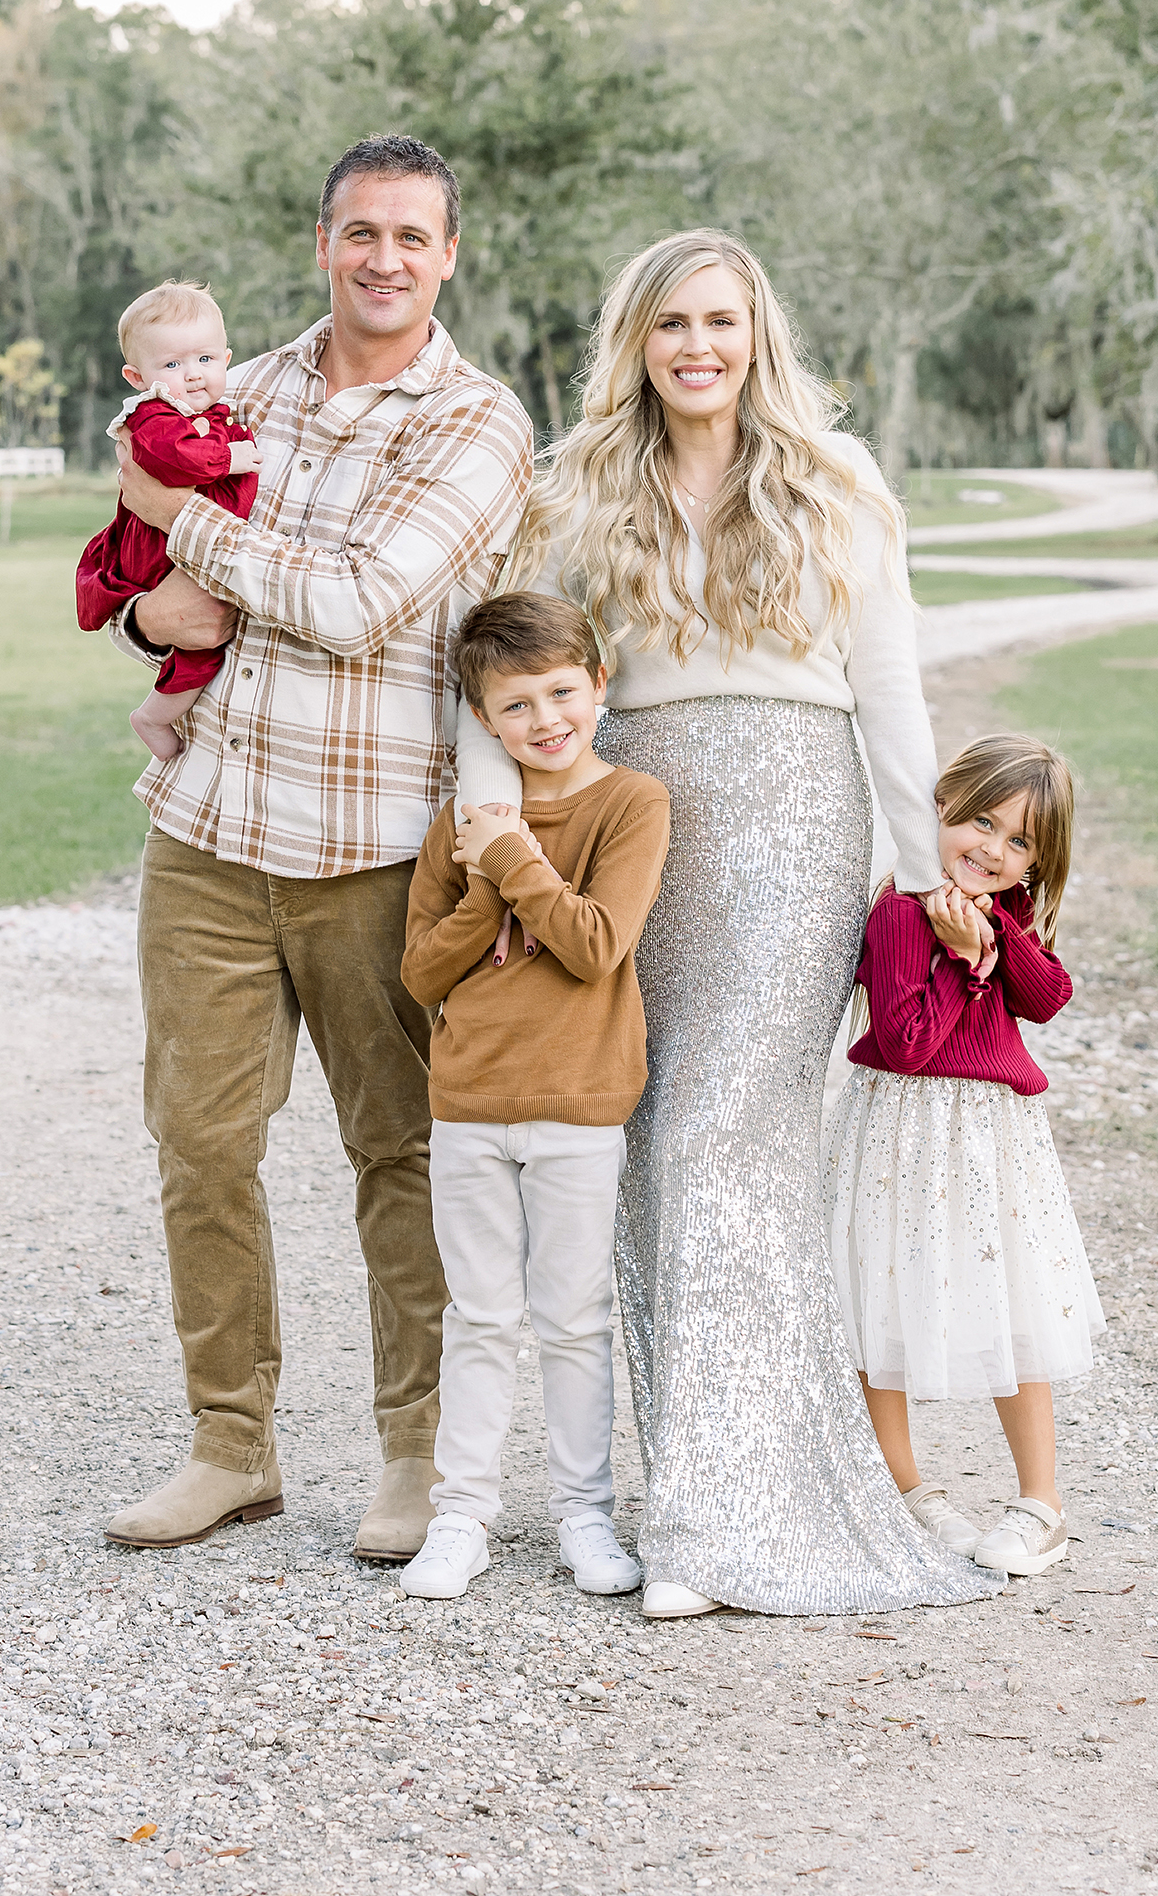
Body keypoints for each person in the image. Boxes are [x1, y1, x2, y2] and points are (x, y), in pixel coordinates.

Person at [455, 229, 1000, 1620]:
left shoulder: (837, 480)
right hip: (634, 829)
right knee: (646, 1146)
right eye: (669, 324)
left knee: (724, 1143)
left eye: (720, 321)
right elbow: (503, 665)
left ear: (756, 333)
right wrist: (500, 841)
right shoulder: (571, 487)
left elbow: (890, 693)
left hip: (792, 834)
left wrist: (920, 874)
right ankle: (693, 1484)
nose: (697, 347)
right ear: (633, 340)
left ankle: (717, 1524)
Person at [99, 134, 535, 1557]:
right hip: (211, 835)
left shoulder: (475, 424)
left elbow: (360, 603)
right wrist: (143, 608)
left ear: (448, 254)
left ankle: (417, 1457)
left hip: (371, 854)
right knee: (199, 1144)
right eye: (361, 233)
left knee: (397, 1154)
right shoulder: (240, 386)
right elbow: (141, 554)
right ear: (323, 240)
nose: (385, 260)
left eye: (412, 236)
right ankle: (231, 1444)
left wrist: (192, 543)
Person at [397, 593, 671, 1602]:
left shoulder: (630, 803)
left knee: (570, 1315)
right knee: (477, 1315)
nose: (545, 720)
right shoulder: (459, 824)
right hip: (469, 1100)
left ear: (599, 683)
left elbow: (598, 942)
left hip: (579, 1101)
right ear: (481, 719)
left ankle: (583, 1514)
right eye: (515, 706)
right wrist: (482, 885)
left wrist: (512, 860)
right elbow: (422, 972)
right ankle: (460, 1516)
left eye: (562, 692)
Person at [823, 733, 1105, 1579]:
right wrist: (963, 962)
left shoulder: (1002, 911)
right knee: (881, 1302)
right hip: (900, 1130)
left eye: (1019, 842)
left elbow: (1047, 996)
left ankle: (1040, 1504)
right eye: (980, 820)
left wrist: (992, 944)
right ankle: (905, 1489)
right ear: (939, 806)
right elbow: (907, 1043)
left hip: (989, 1140)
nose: (992, 848)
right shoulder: (905, 911)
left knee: (1008, 1300)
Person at [76, 282, 262, 758]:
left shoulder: (210, 409)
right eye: (172, 365)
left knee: (205, 641)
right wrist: (230, 457)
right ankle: (154, 717)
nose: (193, 375)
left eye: (205, 360)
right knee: (200, 648)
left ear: (227, 356)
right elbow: (174, 459)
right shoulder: (154, 416)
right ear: (138, 376)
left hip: (185, 541)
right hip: (158, 549)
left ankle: (159, 712)